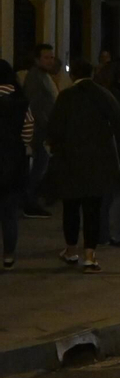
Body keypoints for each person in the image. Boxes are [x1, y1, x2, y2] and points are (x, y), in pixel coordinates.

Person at [45, 59, 120, 273]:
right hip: (98, 162)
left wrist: (56, 147)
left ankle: (71, 250)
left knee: (71, 208)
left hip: (70, 162)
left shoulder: (66, 97)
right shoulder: (104, 95)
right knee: (93, 209)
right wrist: (110, 146)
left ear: (73, 76)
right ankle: (90, 255)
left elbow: (54, 127)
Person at [93, 60, 120, 247]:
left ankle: (101, 234)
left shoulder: (98, 94)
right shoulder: (119, 95)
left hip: (101, 148)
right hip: (119, 148)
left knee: (104, 195)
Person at [20, 43, 64, 217]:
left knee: (42, 166)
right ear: (37, 59)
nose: (50, 60)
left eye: (51, 57)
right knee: (39, 167)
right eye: (46, 57)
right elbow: (35, 106)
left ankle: (33, 200)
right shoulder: (35, 77)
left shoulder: (45, 76)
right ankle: (29, 202)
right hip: (39, 131)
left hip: (44, 129)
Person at [0, 60, 35, 269]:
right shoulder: (21, 101)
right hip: (13, 161)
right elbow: (28, 132)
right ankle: (8, 256)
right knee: (9, 213)